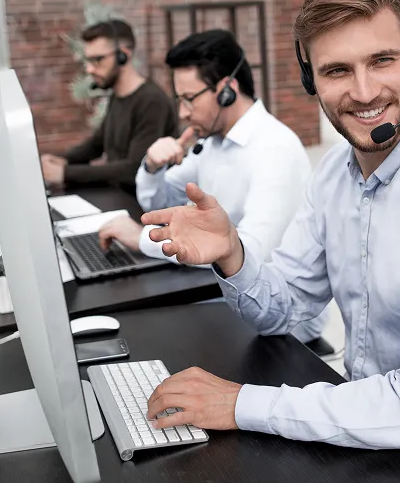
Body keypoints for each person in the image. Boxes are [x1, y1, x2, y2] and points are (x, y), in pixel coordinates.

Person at [138, 0, 400, 483]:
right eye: (337, 70)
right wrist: (232, 254)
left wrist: (241, 404)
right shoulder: (334, 173)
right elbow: (282, 311)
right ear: (311, 81)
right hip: (365, 423)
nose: (364, 91)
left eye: (382, 60)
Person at [98, 29, 331, 352]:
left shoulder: (274, 149)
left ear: (227, 90)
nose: (181, 112)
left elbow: (248, 252)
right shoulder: (212, 143)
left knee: (143, 338)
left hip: (280, 323)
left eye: (188, 99)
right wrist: (152, 167)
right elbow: (159, 203)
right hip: (225, 295)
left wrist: (140, 238)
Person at [41, 19, 178, 194]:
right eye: (87, 61)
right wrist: (62, 160)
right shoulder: (117, 96)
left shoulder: (151, 101)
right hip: (117, 195)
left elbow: (135, 168)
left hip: (143, 205)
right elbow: (96, 144)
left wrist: (65, 173)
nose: (90, 69)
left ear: (123, 56)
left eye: (97, 60)